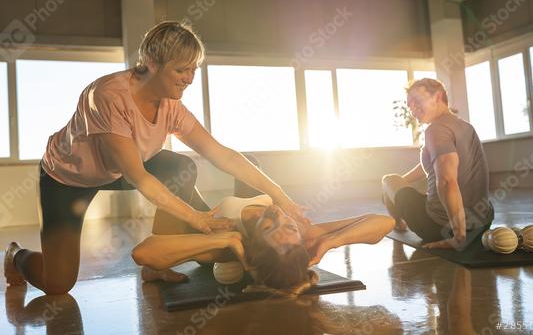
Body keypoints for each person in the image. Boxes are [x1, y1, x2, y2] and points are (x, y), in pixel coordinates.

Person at [3, 21, 309, 295]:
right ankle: (14, 255)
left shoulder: (170, 105)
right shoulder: (108, 96)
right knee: (58, 284)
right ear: (151, 63)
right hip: (67, 178)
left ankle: (156, 266)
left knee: (180, 167)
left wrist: (280, 195)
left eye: (193, 70)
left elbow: (222, 155)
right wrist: (198, 220)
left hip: (120, 167)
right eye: (181, 70)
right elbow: (138, 177)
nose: (189, 78)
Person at [131, 193, 395, 295]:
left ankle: (162, 271)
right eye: (289, 226)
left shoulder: (228, 245)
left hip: (208, 225)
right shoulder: (303, 233)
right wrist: (330, 241)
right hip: (242, 198)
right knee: (252, 166)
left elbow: (143, 253)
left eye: (269, 228)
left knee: (175, 199)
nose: (279, 215)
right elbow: (384, 222)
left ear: (254, 242)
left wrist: (224, 238)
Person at [381, 78, 494, 250]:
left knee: (387, 179)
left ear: (438, 96)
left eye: (417, 101)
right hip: (482, 224)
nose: (413, 110)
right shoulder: (465, 126)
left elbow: (447, 181)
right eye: (410, 106)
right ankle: (399, 211)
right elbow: (436, 163)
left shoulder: (435, 130)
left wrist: (458, 237)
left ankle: (398, 223)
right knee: (394, 182)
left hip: (440, 228)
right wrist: (400, 183)